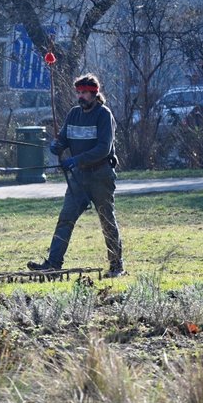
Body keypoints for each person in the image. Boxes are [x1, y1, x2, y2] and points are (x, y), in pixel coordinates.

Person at [27, 73, 124, 277]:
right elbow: (64, 139)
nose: (80, 97)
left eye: (84, 93)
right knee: (65, 219)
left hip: (101, 175)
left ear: (94, 94)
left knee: (106, 220)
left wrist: (76, 160)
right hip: (78, 178)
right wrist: (57, 146)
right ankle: (53, 265)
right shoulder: (73, 114)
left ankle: (116, 266)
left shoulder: (104, 115)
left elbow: (103, 149)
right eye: (78, 92)